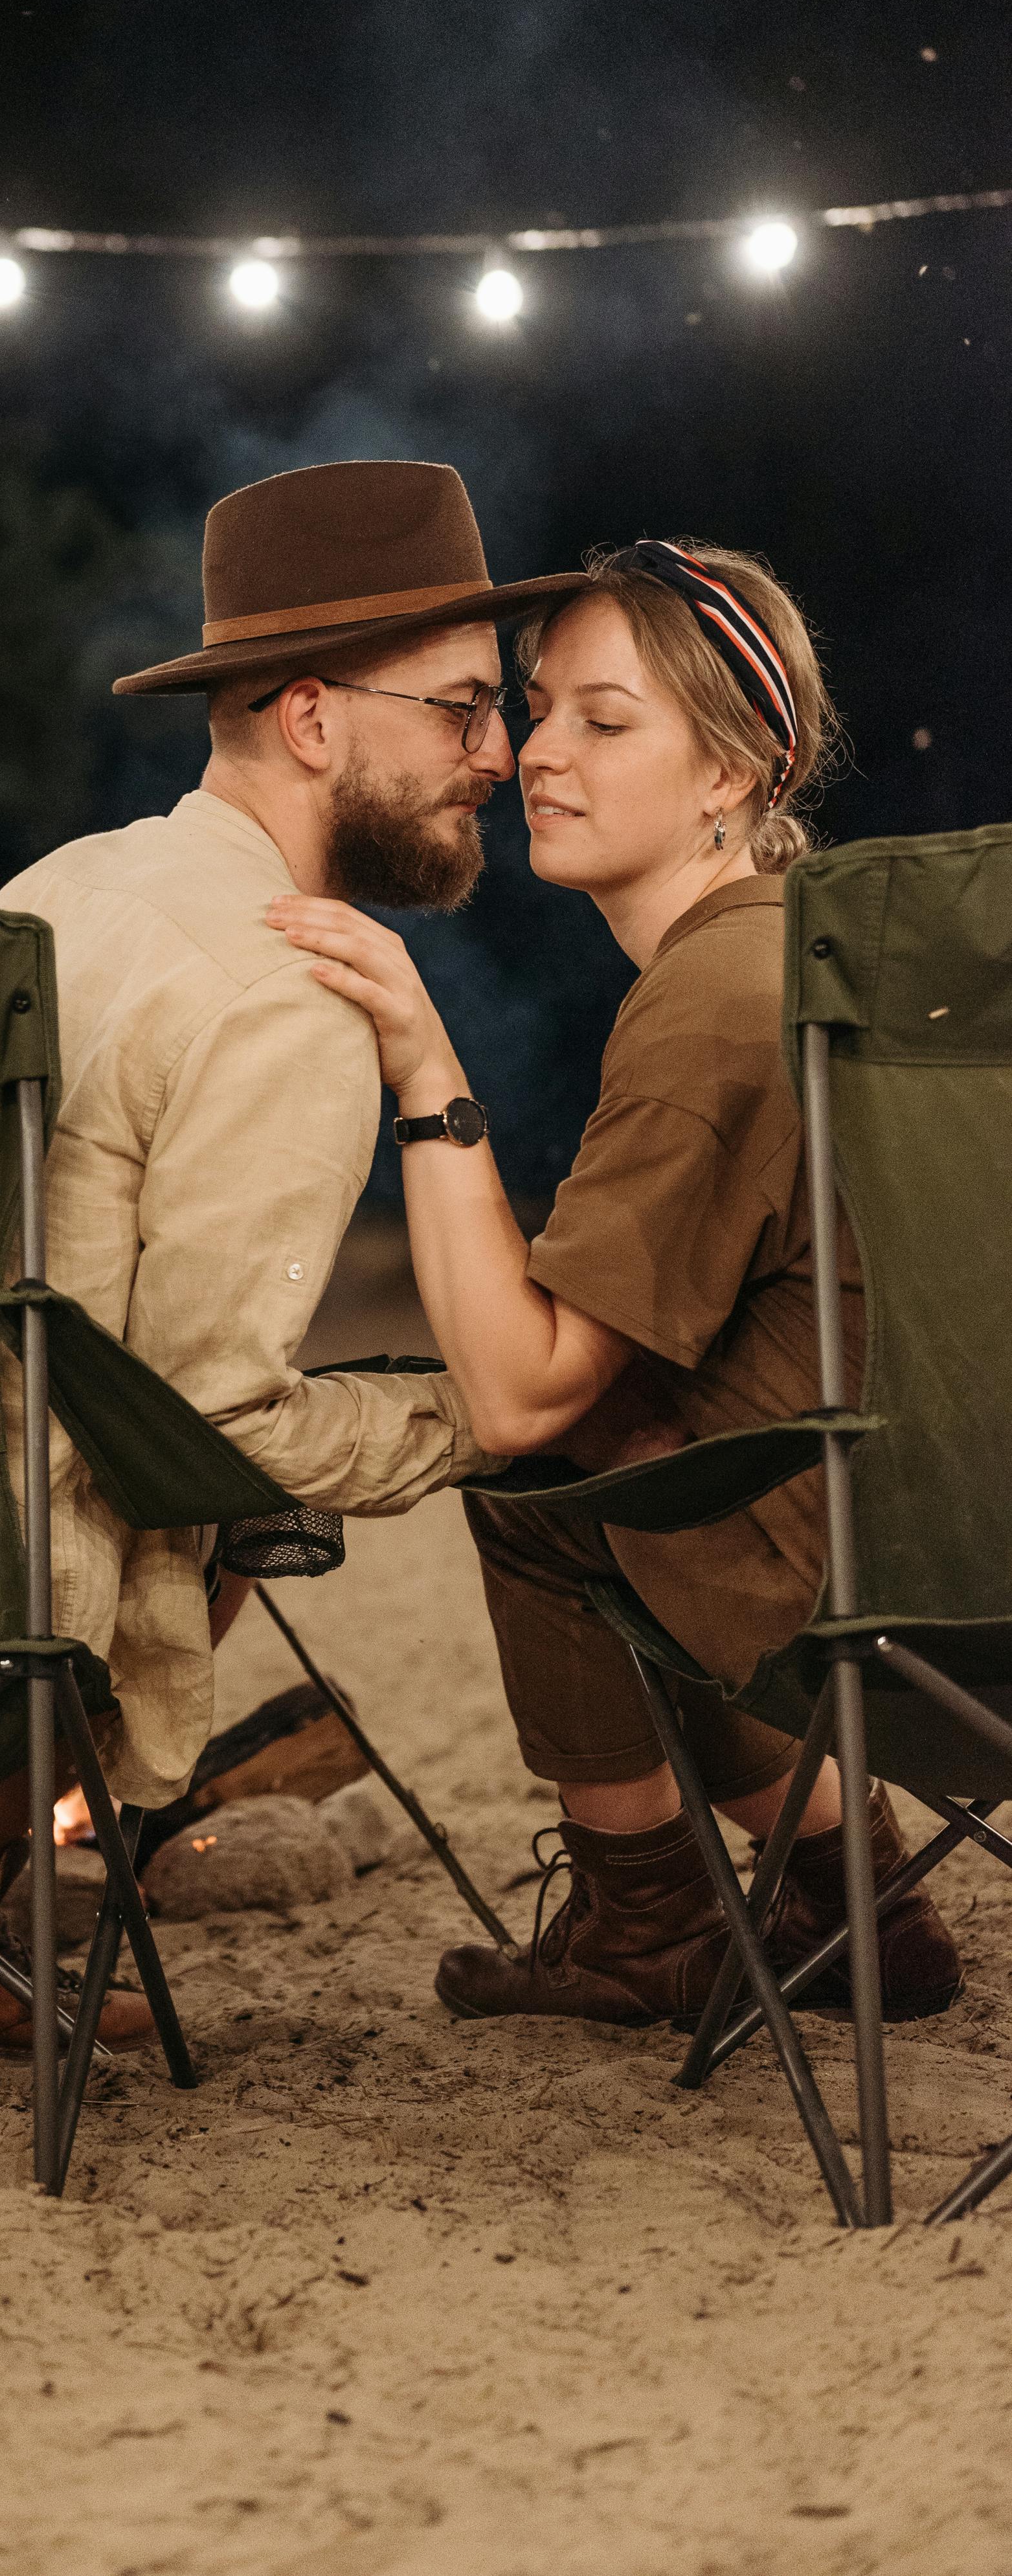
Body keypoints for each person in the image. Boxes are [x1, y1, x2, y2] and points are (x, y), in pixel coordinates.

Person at [0, 458, 585, 2055]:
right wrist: (484, 1414)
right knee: (246, 1491)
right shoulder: (288, 991)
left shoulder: (64, 886)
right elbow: (214, 1427)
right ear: (315, 719)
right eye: (465, 708)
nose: (500, 755)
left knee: (74, 1431)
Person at [266, 538, 960, 2027]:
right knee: (624, 1426)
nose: (530, 755)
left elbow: (523, 1386)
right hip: (961, 1557)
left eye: (603, 719)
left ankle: (645, 1921)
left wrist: (425, 1068)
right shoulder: (810, 951)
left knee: (535, 1471)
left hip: (846, 1587)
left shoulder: (714, 1005)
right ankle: (856, 1892)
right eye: (532, 710)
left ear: (733, 772)